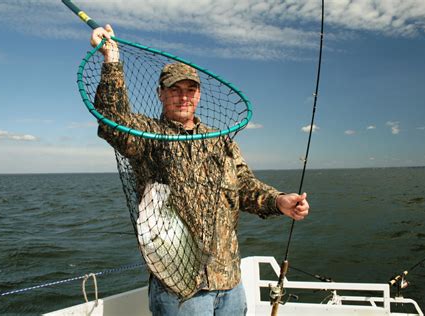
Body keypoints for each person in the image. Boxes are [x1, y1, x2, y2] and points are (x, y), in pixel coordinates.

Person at [90, 25, 310, 316]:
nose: (184, 97)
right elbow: (112, 120)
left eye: (190, 90)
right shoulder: (147, 135)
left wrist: (279, 200)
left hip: (230, 284)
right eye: (175, 90)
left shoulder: (220, 140)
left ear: (199, 95)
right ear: (160, 93)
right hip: (180, 291)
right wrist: (112, 59)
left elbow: (244, 186)